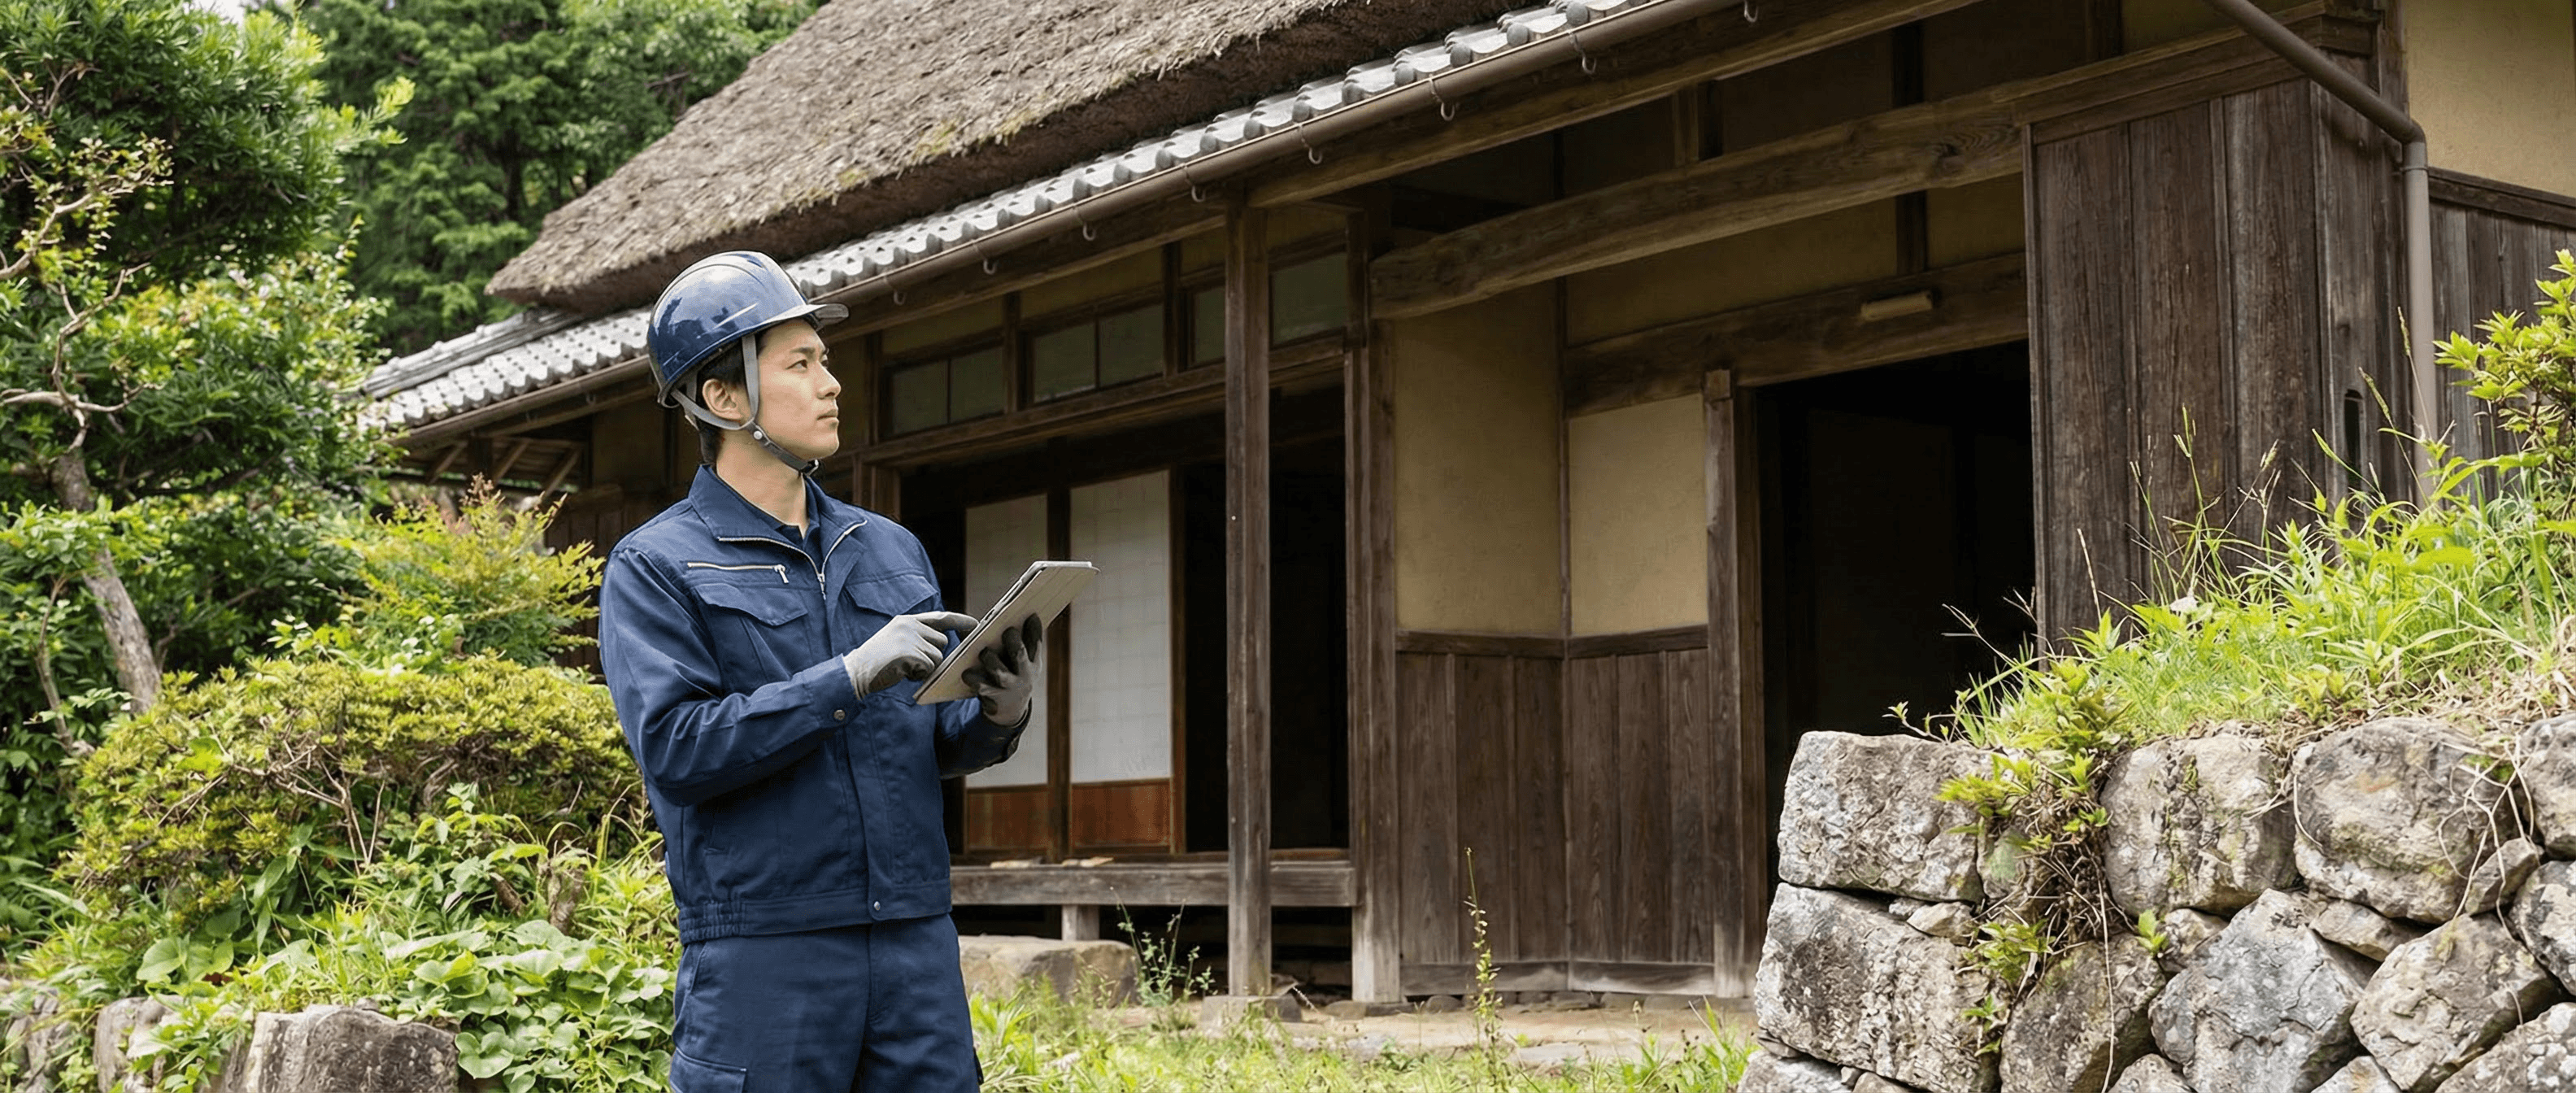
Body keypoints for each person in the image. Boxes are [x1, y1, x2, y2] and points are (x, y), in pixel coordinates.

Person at [598, 250, 1039, 1091]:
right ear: (723, 397)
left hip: (914, 945)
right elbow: (679, 751)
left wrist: (994, 715)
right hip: (768, 954)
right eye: (800, 364)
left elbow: (916, 737)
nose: (831, 383)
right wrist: (846, 677)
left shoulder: (890, 548)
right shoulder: (658, 566)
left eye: (825, 361)